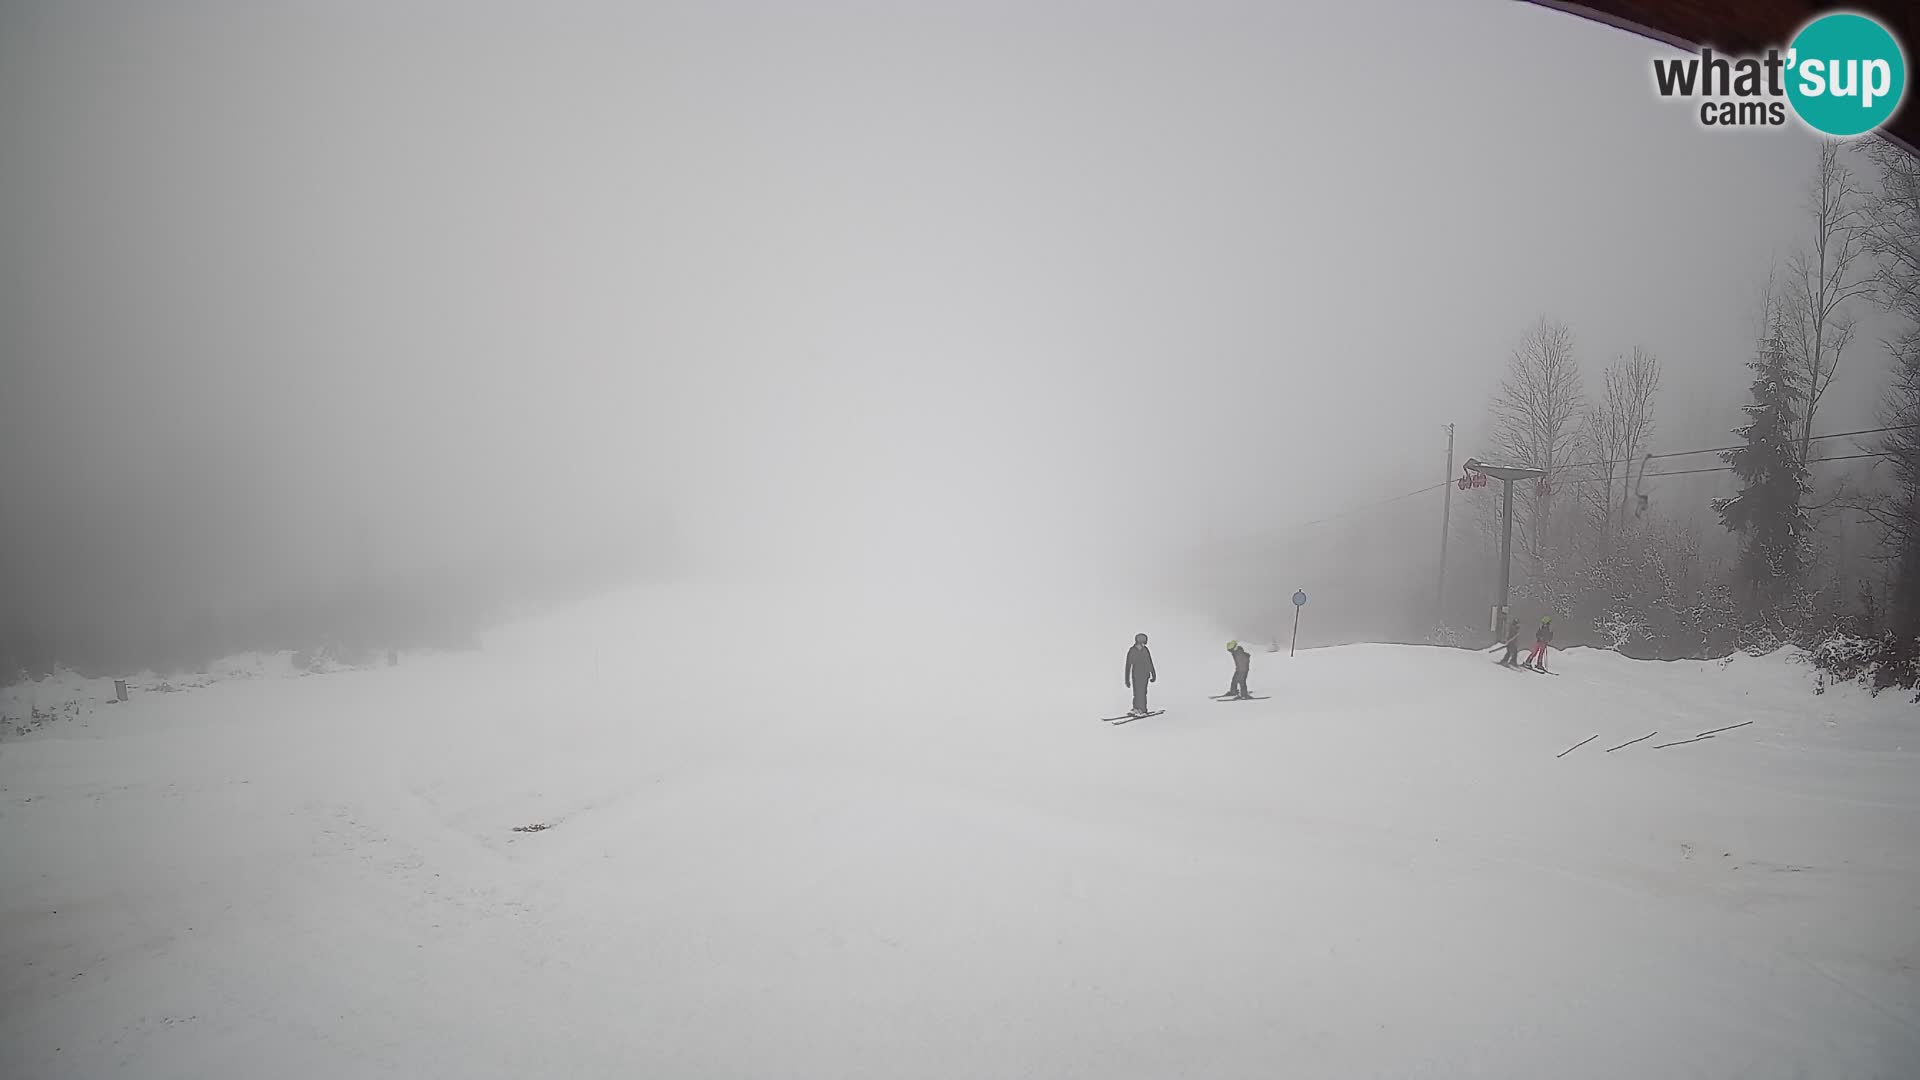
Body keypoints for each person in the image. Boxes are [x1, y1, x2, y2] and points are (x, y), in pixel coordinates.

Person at [1124, 633, 1156, 715]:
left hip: (1145, 674)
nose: (1143, 645)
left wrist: (1153, 674)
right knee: (1136, 692)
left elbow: (1150, 662)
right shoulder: (1132, 650)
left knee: (1142, 692)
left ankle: (1143, 709)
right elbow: (1128, 665)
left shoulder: (1145, 650)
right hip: (1135, 674)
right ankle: (1136, 708)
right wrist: (1127, 679)